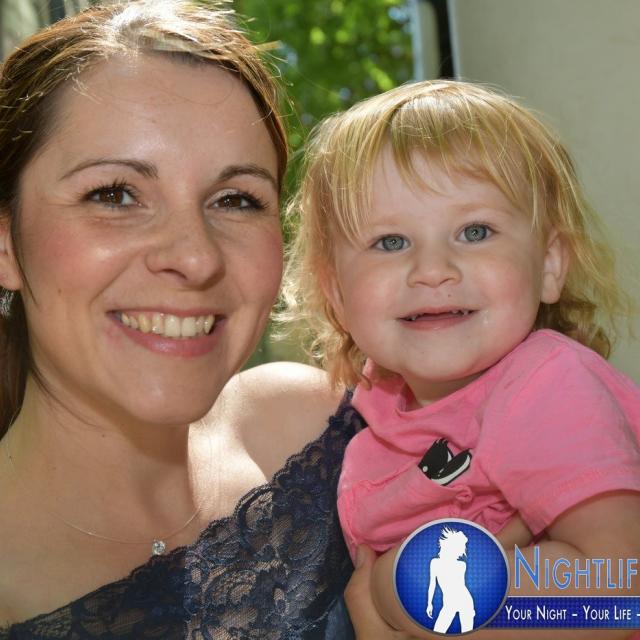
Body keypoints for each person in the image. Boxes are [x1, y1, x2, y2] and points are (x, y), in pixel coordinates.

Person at [0, 1, 361, 637]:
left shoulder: (324, 430)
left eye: (236, 199)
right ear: (6, 244)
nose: (196, 258)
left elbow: (560, 600)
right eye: (115, 194)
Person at [282, 79, 640, 638]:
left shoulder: (545, 385)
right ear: (337, 293)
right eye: (391, 241)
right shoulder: (370, 425)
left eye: (475, 232)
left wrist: (404, 591)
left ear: (549, 264)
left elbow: (620, 590)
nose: (433, 270)